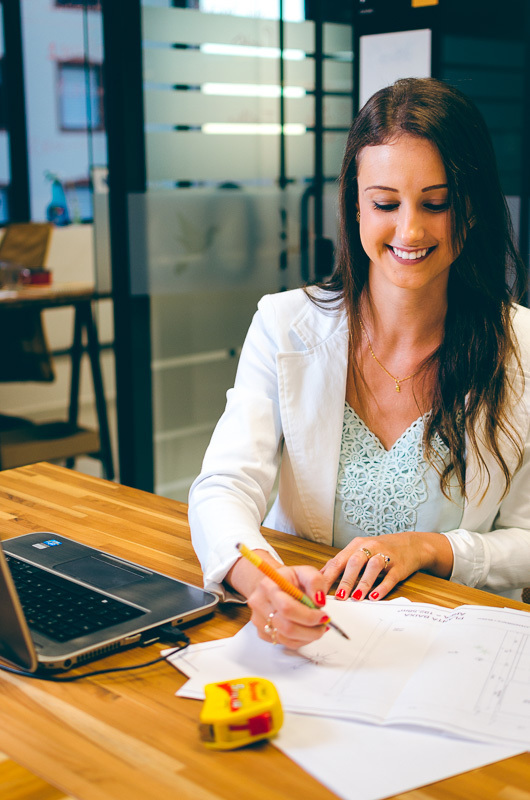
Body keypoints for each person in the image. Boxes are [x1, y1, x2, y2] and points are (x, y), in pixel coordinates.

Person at [188, 77, 530, 650]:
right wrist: (261, 581)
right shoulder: (283, 325)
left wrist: (430, 549)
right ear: (355, 207)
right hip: (313, 645)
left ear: (470, 208)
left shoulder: (521, 346)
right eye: (385, 204)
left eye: (436, 203)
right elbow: (224, 484)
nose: (410, 230)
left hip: (455, 652)